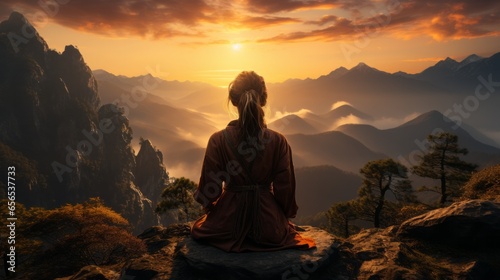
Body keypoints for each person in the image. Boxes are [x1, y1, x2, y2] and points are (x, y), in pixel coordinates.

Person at [191, 71, 316, 252]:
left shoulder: (217, 140)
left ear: (234, 101)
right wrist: (280, 219)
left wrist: (213, 211)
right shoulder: (278, 141)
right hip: (268, 228)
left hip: (225, 226)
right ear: (263, 100)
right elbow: (285, 190)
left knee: (199, 228)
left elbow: (209, 193)